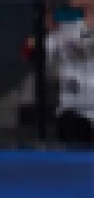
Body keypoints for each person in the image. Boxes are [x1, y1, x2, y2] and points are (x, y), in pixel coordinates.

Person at [46, 0, 94, 144]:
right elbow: (40, 52)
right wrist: (47, 17)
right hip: (72, 111)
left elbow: (85, 48)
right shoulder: (66, 28)